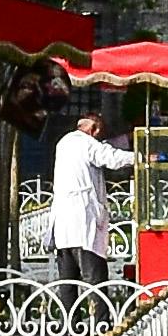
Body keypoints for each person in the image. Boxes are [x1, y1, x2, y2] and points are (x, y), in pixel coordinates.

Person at [45, 104, 131, 290]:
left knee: (68, 283)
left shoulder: (65, 142)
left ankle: (69, 319)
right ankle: (101, 320)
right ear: (94, 129)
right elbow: (110, 157)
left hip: (63, 226)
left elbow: (106, 147)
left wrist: (127, 139)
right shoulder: (86, 143)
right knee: (95, 282)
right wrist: (140, 158)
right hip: (83, 223)